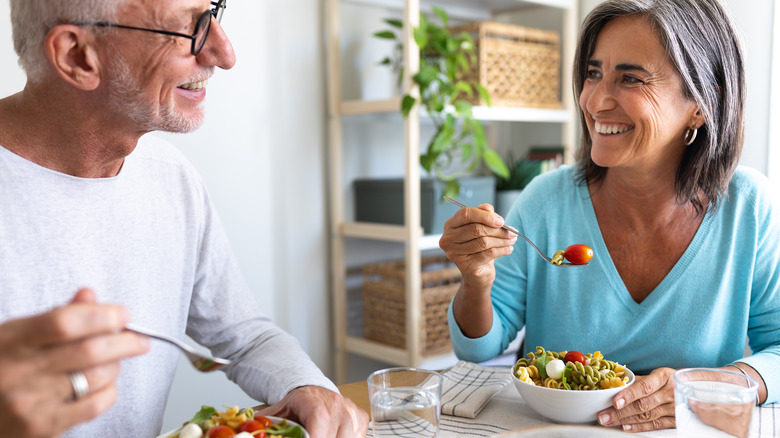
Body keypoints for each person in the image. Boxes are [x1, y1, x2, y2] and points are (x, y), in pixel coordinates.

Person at [0, 0, 368, 437]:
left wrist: (306, 384)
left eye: (214, 12)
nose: (224, 52)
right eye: (187, 26)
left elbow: (244, 336)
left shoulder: (169, 176)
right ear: (78, 56)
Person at [440, 0, 780, 433]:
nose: (595, 100)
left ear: (699, 101)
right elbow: (479, 348)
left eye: (631, 78)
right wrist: (476, 280)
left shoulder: (748, 208)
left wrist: (703, 386)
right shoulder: (546, 200)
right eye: (594, 73)